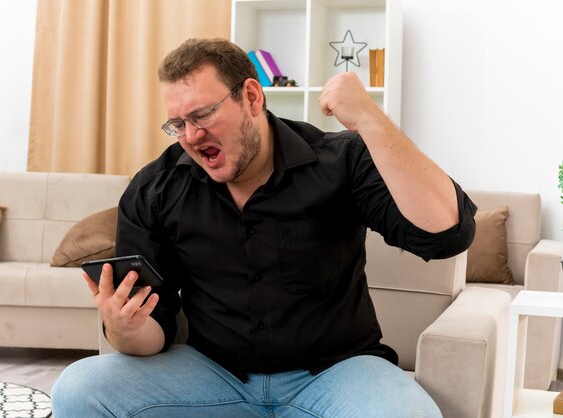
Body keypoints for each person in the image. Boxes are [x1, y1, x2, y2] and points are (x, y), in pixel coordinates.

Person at [51, 38, 476, 417]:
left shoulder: (339, 161)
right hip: (212, 376)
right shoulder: (157, 189)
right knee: (78, 388)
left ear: (252, 97)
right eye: (178, 124)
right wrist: (125, 329)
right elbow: (154, 328)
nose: (191, 136)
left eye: (202, 114)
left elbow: (445, 235)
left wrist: (369, 118)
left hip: (336, 372)